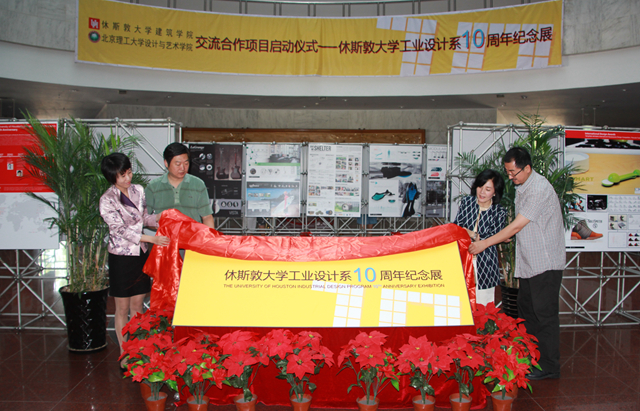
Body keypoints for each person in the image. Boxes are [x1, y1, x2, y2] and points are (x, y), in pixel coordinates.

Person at [469, 147, 565, 381]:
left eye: (514, 172)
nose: (510, 177)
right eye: (508, 172)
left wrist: (485, 243)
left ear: (527, 168)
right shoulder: (524, 186)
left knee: (544, 315)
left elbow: (517, 225)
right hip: (529, 263)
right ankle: (532, 359)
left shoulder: (539, 188)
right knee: (528, 311)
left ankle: (549, 366)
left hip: (544, 262)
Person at [99, 153, 170, 370]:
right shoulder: (107, 199)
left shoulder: (138, 190)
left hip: (140, 253)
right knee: (122, 307)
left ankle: (138, 348)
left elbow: (143, 218)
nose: (128, 178)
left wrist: (160, 217)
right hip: (121, 257)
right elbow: (118, 230)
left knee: (137, 304)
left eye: (129, 172)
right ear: (112, 177)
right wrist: (151, 239)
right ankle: (124, 352)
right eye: (122, 175)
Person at [454, 169, 507, 306]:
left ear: (495, 192)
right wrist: (473, 235)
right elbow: (457, 228)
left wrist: (472, 234)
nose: (482, 192)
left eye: (488, 189)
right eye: (480, 187)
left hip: (486, 263)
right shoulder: (467, 203)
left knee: (484, 304)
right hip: (463, 259)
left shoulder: (499, 212)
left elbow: (494, 236)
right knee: (461, 302)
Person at [145, 143, 215, 228]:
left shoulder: (198, 184)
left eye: (186, 163)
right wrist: (161, 226)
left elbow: (207, 217)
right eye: (178, 164)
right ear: (166, 163)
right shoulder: (153, 187)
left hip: (192, 235)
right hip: (166, 236)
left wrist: (209, 235)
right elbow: (145, 219)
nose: (182, 168)